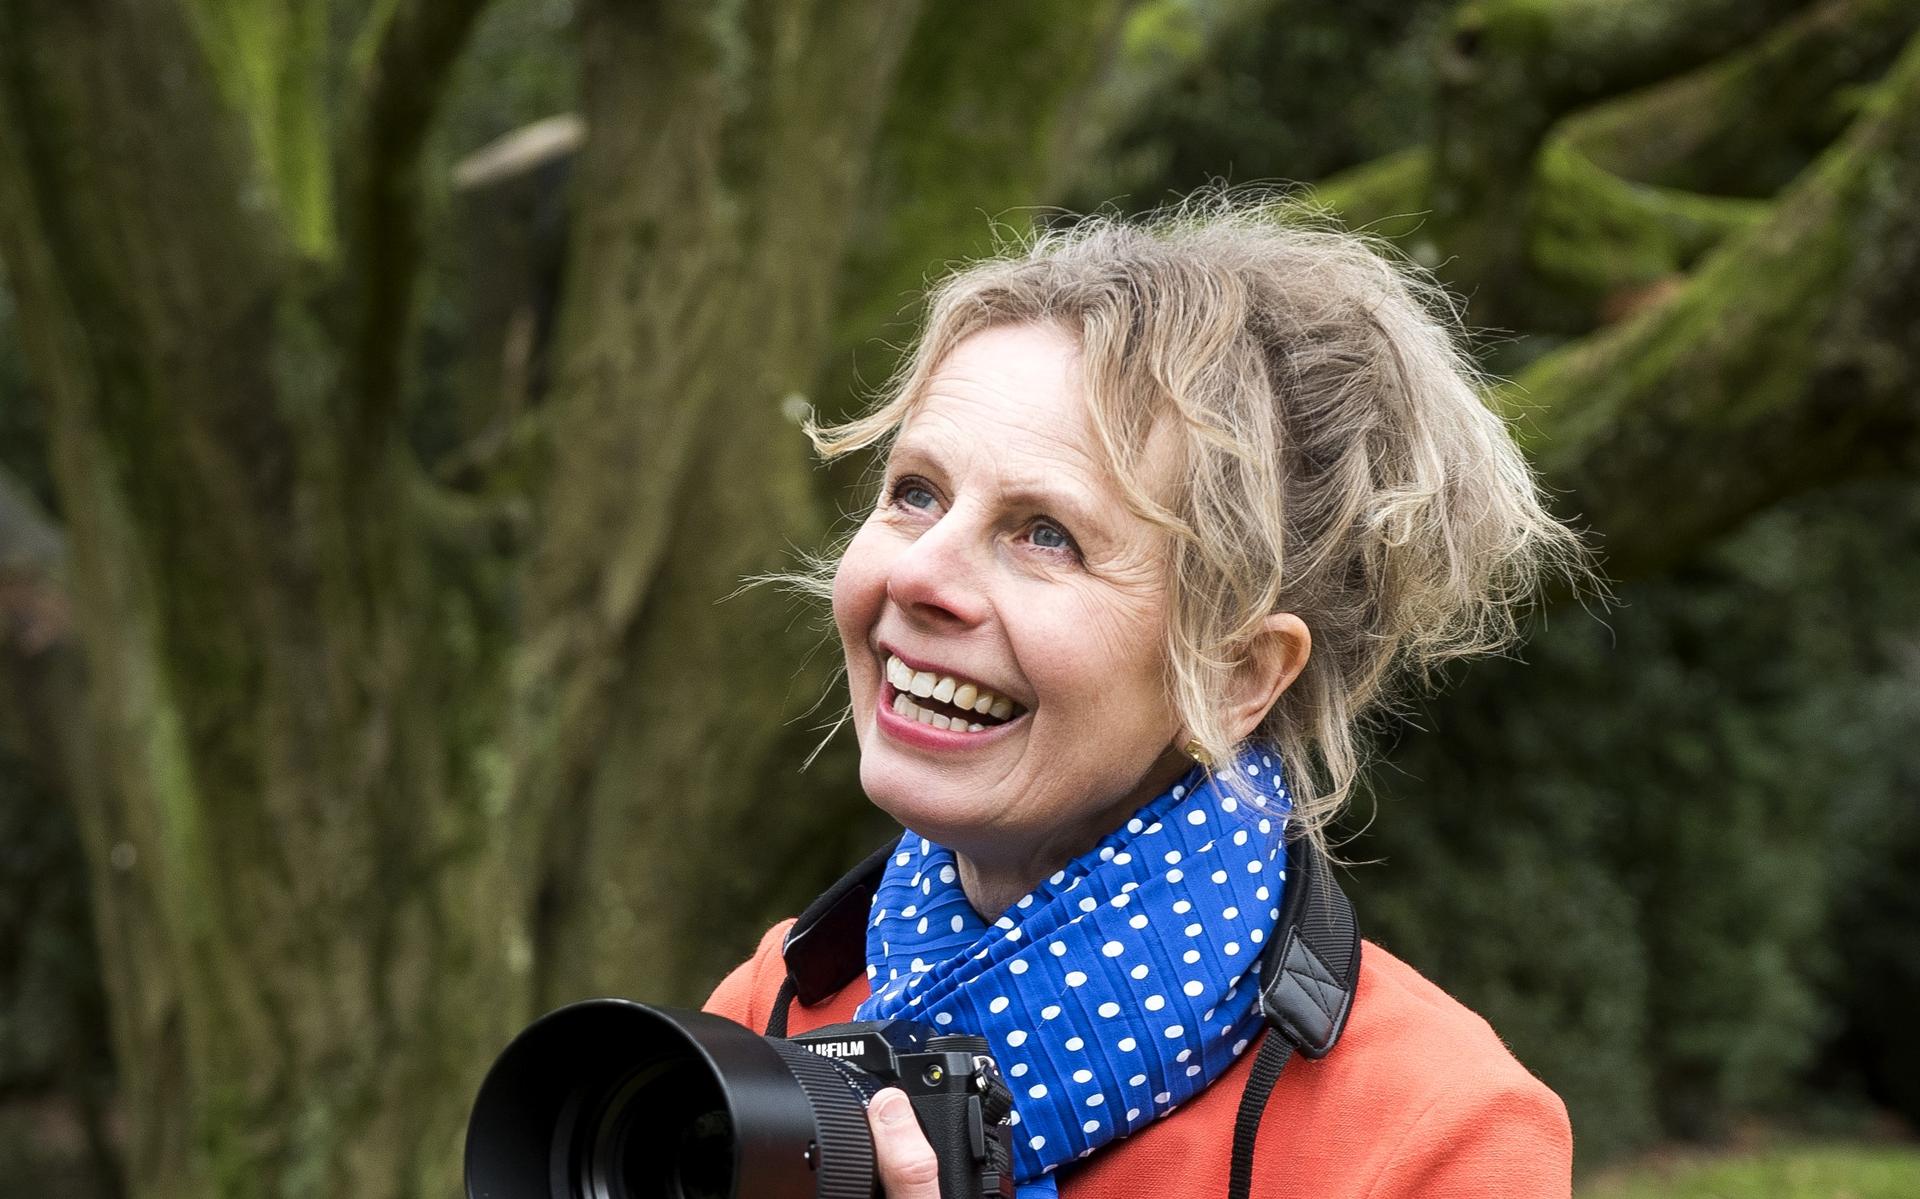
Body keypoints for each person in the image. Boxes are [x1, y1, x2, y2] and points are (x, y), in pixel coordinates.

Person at [704, 201, 1589, 1197]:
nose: (920, 575)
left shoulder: (1429, 1132)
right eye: (916, 492)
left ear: (1236, 671)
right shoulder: (771, 1009)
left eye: (1046, 532)